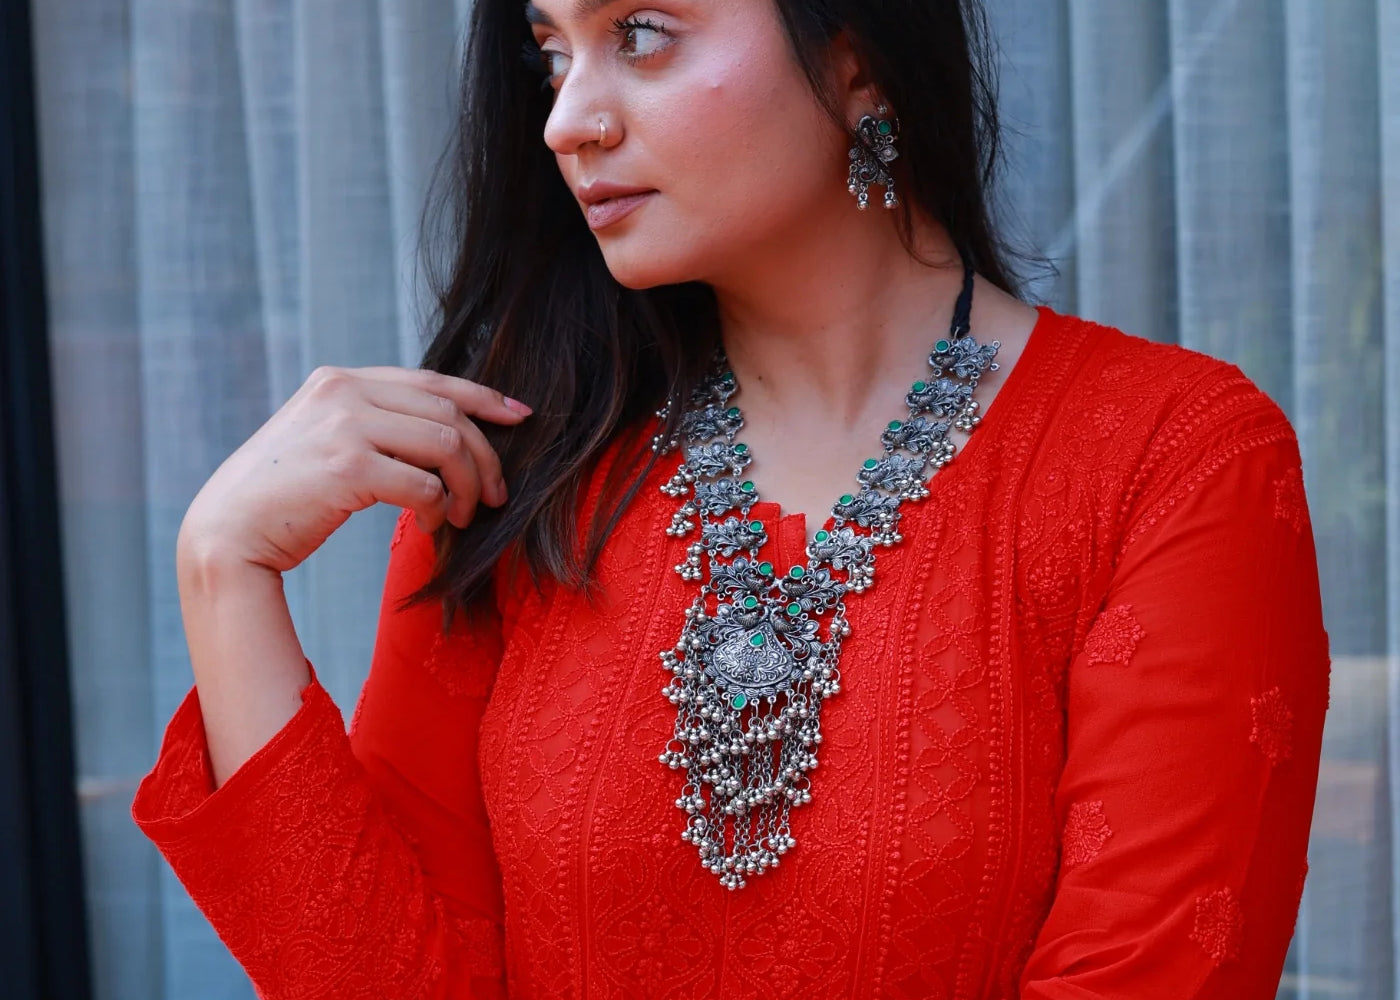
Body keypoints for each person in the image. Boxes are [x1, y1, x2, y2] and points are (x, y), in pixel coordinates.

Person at [131, 0, 1330, 997]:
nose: (566, 119)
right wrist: (222, 572)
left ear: (855, 57)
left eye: (639, 34)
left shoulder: (1168, 461)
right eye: (550, 53)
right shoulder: (520, 472)